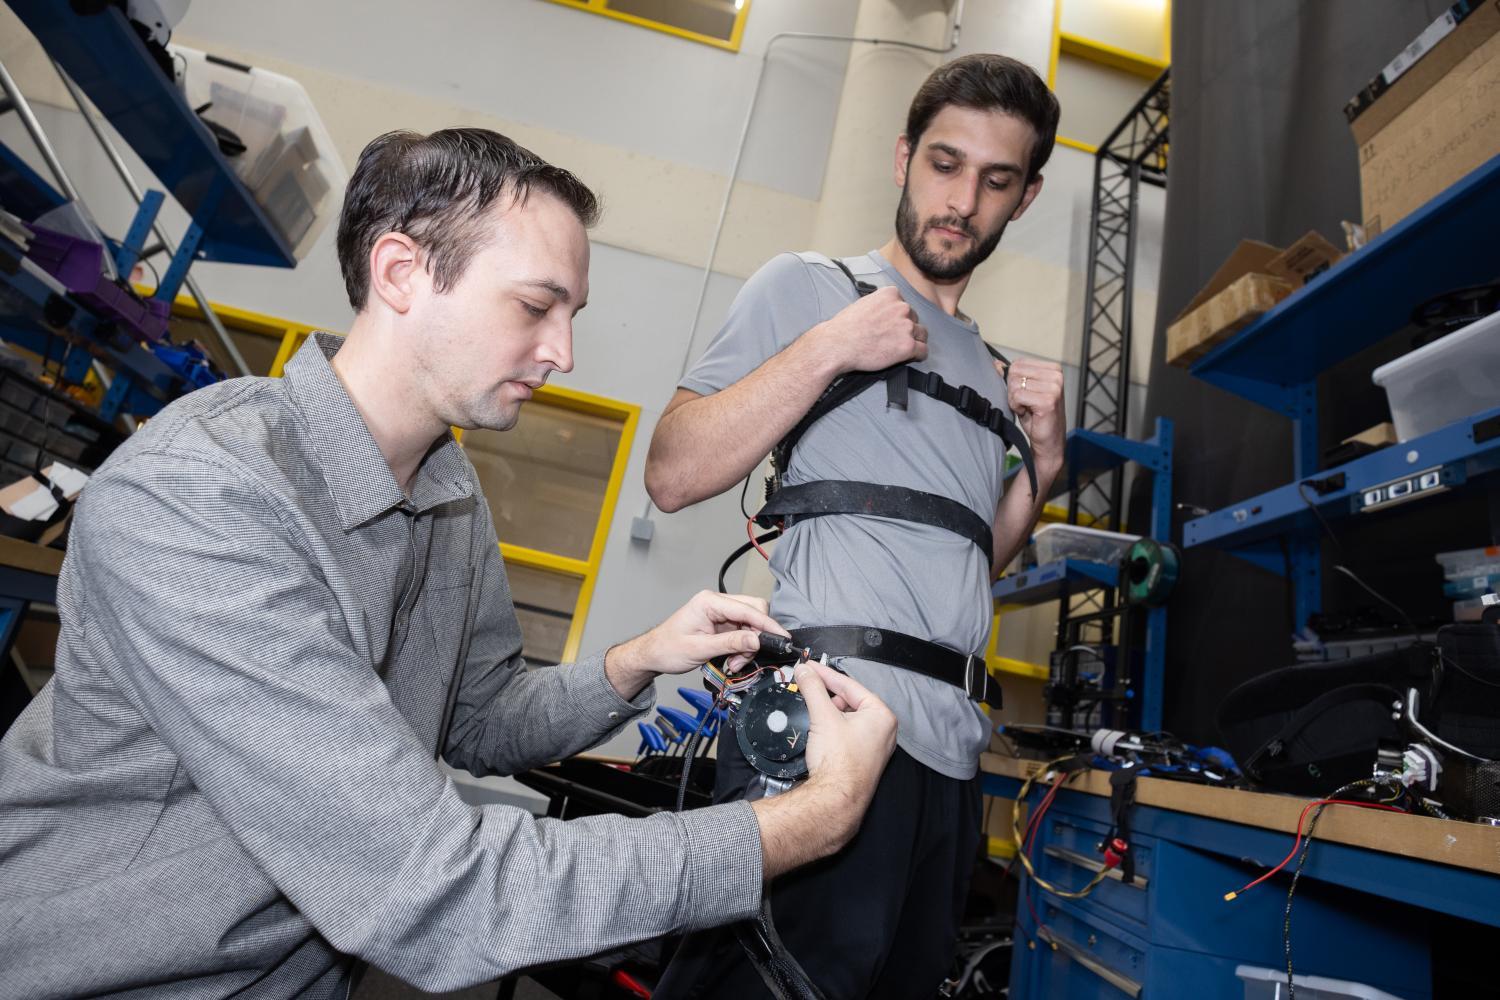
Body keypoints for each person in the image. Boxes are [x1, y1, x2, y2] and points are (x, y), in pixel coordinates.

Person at [0, 128, 897, 999]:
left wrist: (642, 656)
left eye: (571, 316)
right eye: (534, 307)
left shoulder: (445, 487)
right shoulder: (204, 498)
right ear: (400, 273)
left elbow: (478, 720)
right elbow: (435, 892)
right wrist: (810, 819)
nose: (562, 353)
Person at [645, 55, 1067, 998]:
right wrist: (834, 344)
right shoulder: (810, 286)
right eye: (945, 165)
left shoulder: (994, 372)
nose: (963, 200)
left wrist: (1044, 465)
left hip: (949, 757)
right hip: (824, 727)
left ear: (1025, 196)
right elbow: (673, 471)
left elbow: (971, 567)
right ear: (904, 157)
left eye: (995, 181)